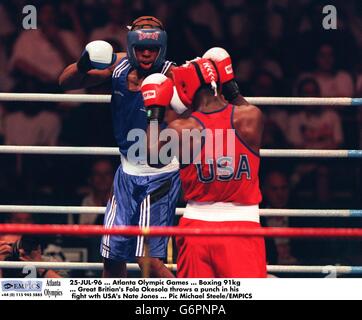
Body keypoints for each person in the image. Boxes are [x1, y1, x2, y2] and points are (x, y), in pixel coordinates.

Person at [59, 16, 181, 278]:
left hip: (160, 175)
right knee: (112, 255)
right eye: (140, 48)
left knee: (148, 259)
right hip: (126, 172)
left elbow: (200, 117)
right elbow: (66, 83)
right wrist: (84, 62)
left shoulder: (174, 75)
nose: (147, 54)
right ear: (131, 46)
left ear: (163, 48)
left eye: (153, 49)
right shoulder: (116, 65)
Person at [141, 53, 266, 277]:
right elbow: (238, 104)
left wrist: (154, 113)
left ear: (185, 88)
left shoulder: (181, 129)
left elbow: (151, 158)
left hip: (196, 227)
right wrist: (231, 86)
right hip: (241, 226)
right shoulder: (250, 117)